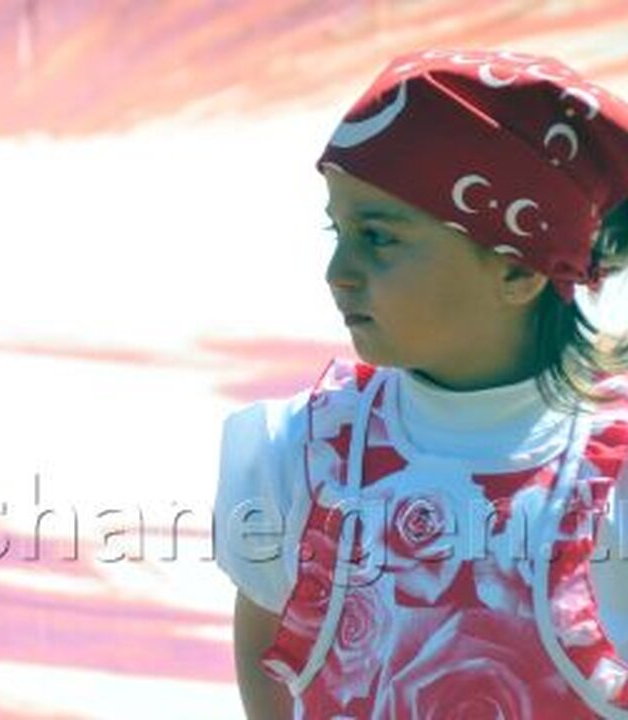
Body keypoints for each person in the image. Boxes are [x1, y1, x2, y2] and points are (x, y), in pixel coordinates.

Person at [213, 48, 628, 719]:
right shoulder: (303, 457)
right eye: (338, 229)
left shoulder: (614, 477)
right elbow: (272, 692)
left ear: (518, 271)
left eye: (379, 238)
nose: (338, 272)